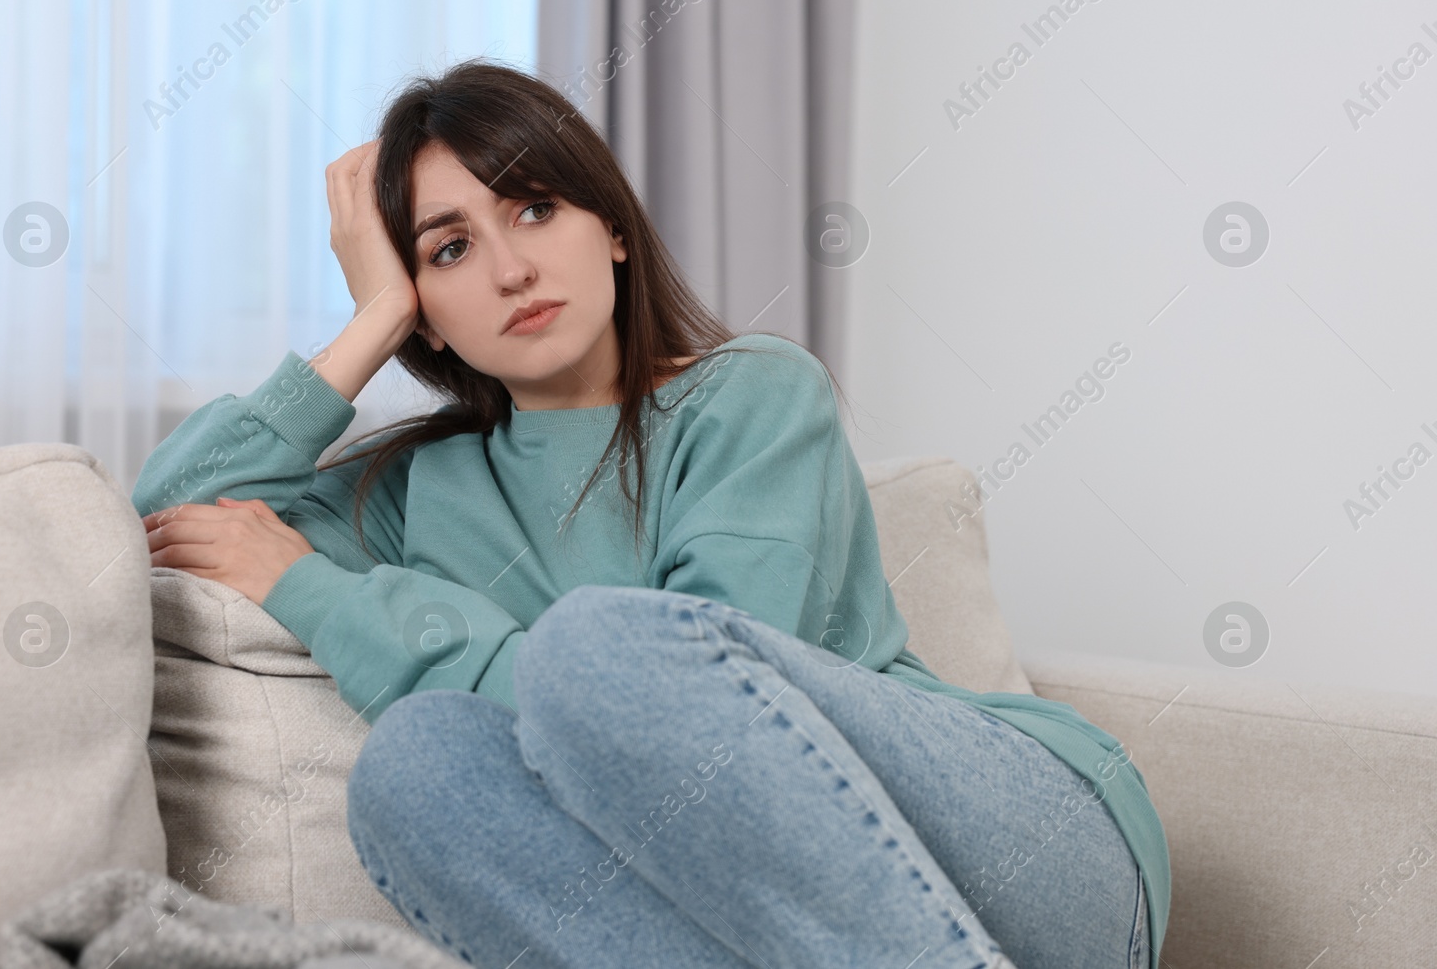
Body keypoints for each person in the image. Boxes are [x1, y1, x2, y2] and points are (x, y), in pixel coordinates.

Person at [132, 60, 1168, 969]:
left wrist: (320, 590)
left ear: (614, 231)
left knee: (597, 648)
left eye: (535, 208)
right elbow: (168, 513)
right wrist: (370, 323)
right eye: (447, 251)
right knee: (416, 767)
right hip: (777, 923)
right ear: (426, 315)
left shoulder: (752, 392)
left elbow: (716, 680)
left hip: (1030, 846)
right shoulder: (412, 492)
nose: (510, 267)